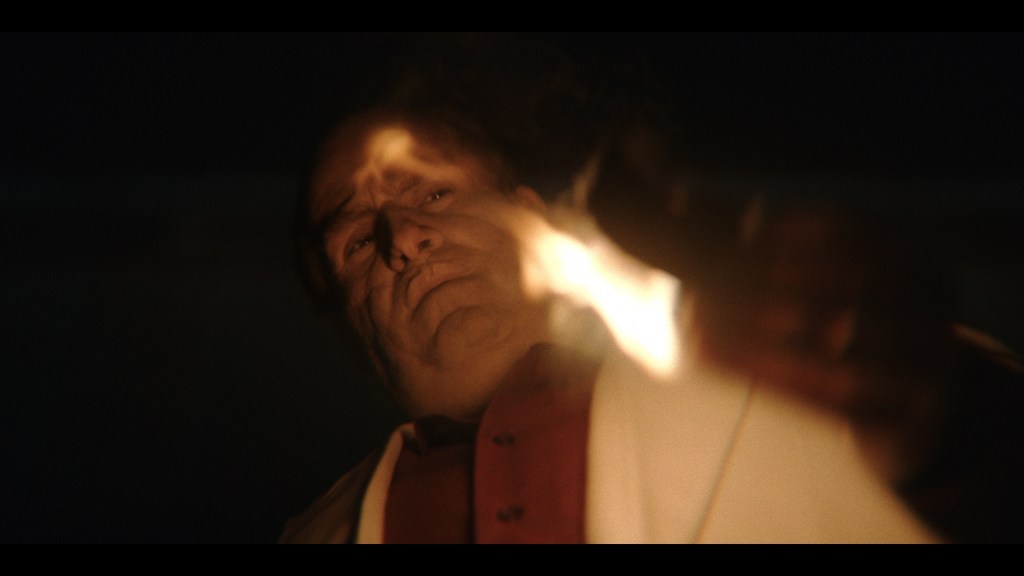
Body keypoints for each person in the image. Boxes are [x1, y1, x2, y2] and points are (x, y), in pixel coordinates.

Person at [279, 106, 945, 543]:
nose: (405, 236)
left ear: (531, 217)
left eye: (434, 192)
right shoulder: (313, 534)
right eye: (357, 242)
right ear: (349, 327)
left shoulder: (772, 376)